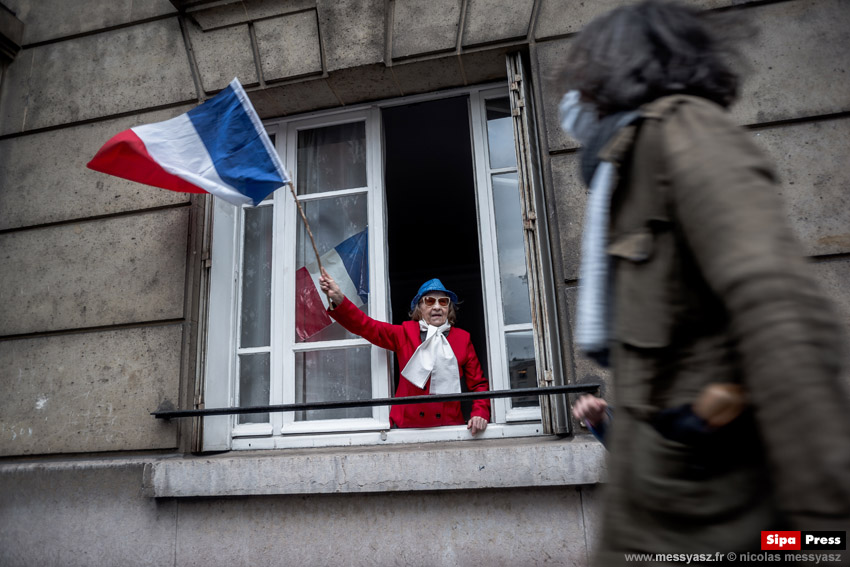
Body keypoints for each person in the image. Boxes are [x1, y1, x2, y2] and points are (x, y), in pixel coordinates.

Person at [558, 0, 850, 561]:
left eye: (585, 73)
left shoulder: (685, 131)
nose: (576, 95)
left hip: (722, 511)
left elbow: (781, 311)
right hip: (659, 500)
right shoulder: (627, 164)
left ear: (621, 68)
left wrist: (827, 529)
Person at [319, 270, 490, 435]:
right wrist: (340, 299)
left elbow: (479, 385)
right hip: (407, 428)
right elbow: (367, 326)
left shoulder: (463, 339)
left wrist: (480, 412)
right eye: (429, 301)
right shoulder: (405, 333)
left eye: (443, 302)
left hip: (449, 427)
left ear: (449, 308)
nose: (437, 306)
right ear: (419, 308)